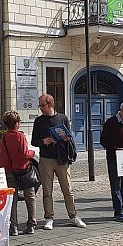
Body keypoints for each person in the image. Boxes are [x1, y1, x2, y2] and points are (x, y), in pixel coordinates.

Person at [30, 94, 86, 230]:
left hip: (61, 158)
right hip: (45, 159)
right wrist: (43, 141)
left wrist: (64, 138)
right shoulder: (39, 121)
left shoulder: (62, 118)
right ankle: (49, 218)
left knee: (68, 189)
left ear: (50, 104)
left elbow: (70, 139)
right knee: (47, 191)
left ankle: (73, 216)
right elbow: (33, 141)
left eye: (42, 105)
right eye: (40, 105)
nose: (41, 108)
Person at [0, 111, 37, 236]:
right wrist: (32, 153)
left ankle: (13, 227)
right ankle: (31, 225)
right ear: (17, 124)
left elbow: (1, 156)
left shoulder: (3, 138)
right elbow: (25, 154)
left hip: (9, 171)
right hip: (23, 170)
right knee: (29, 197)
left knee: (12, 200)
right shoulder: (20, 136)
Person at [100, 101, 123, 223]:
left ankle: (121, 207)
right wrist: (116, 149)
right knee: (116, 185)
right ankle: (118, 211)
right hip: (114, 158)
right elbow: (103, 141)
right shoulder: (111, 123)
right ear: (122, 111)